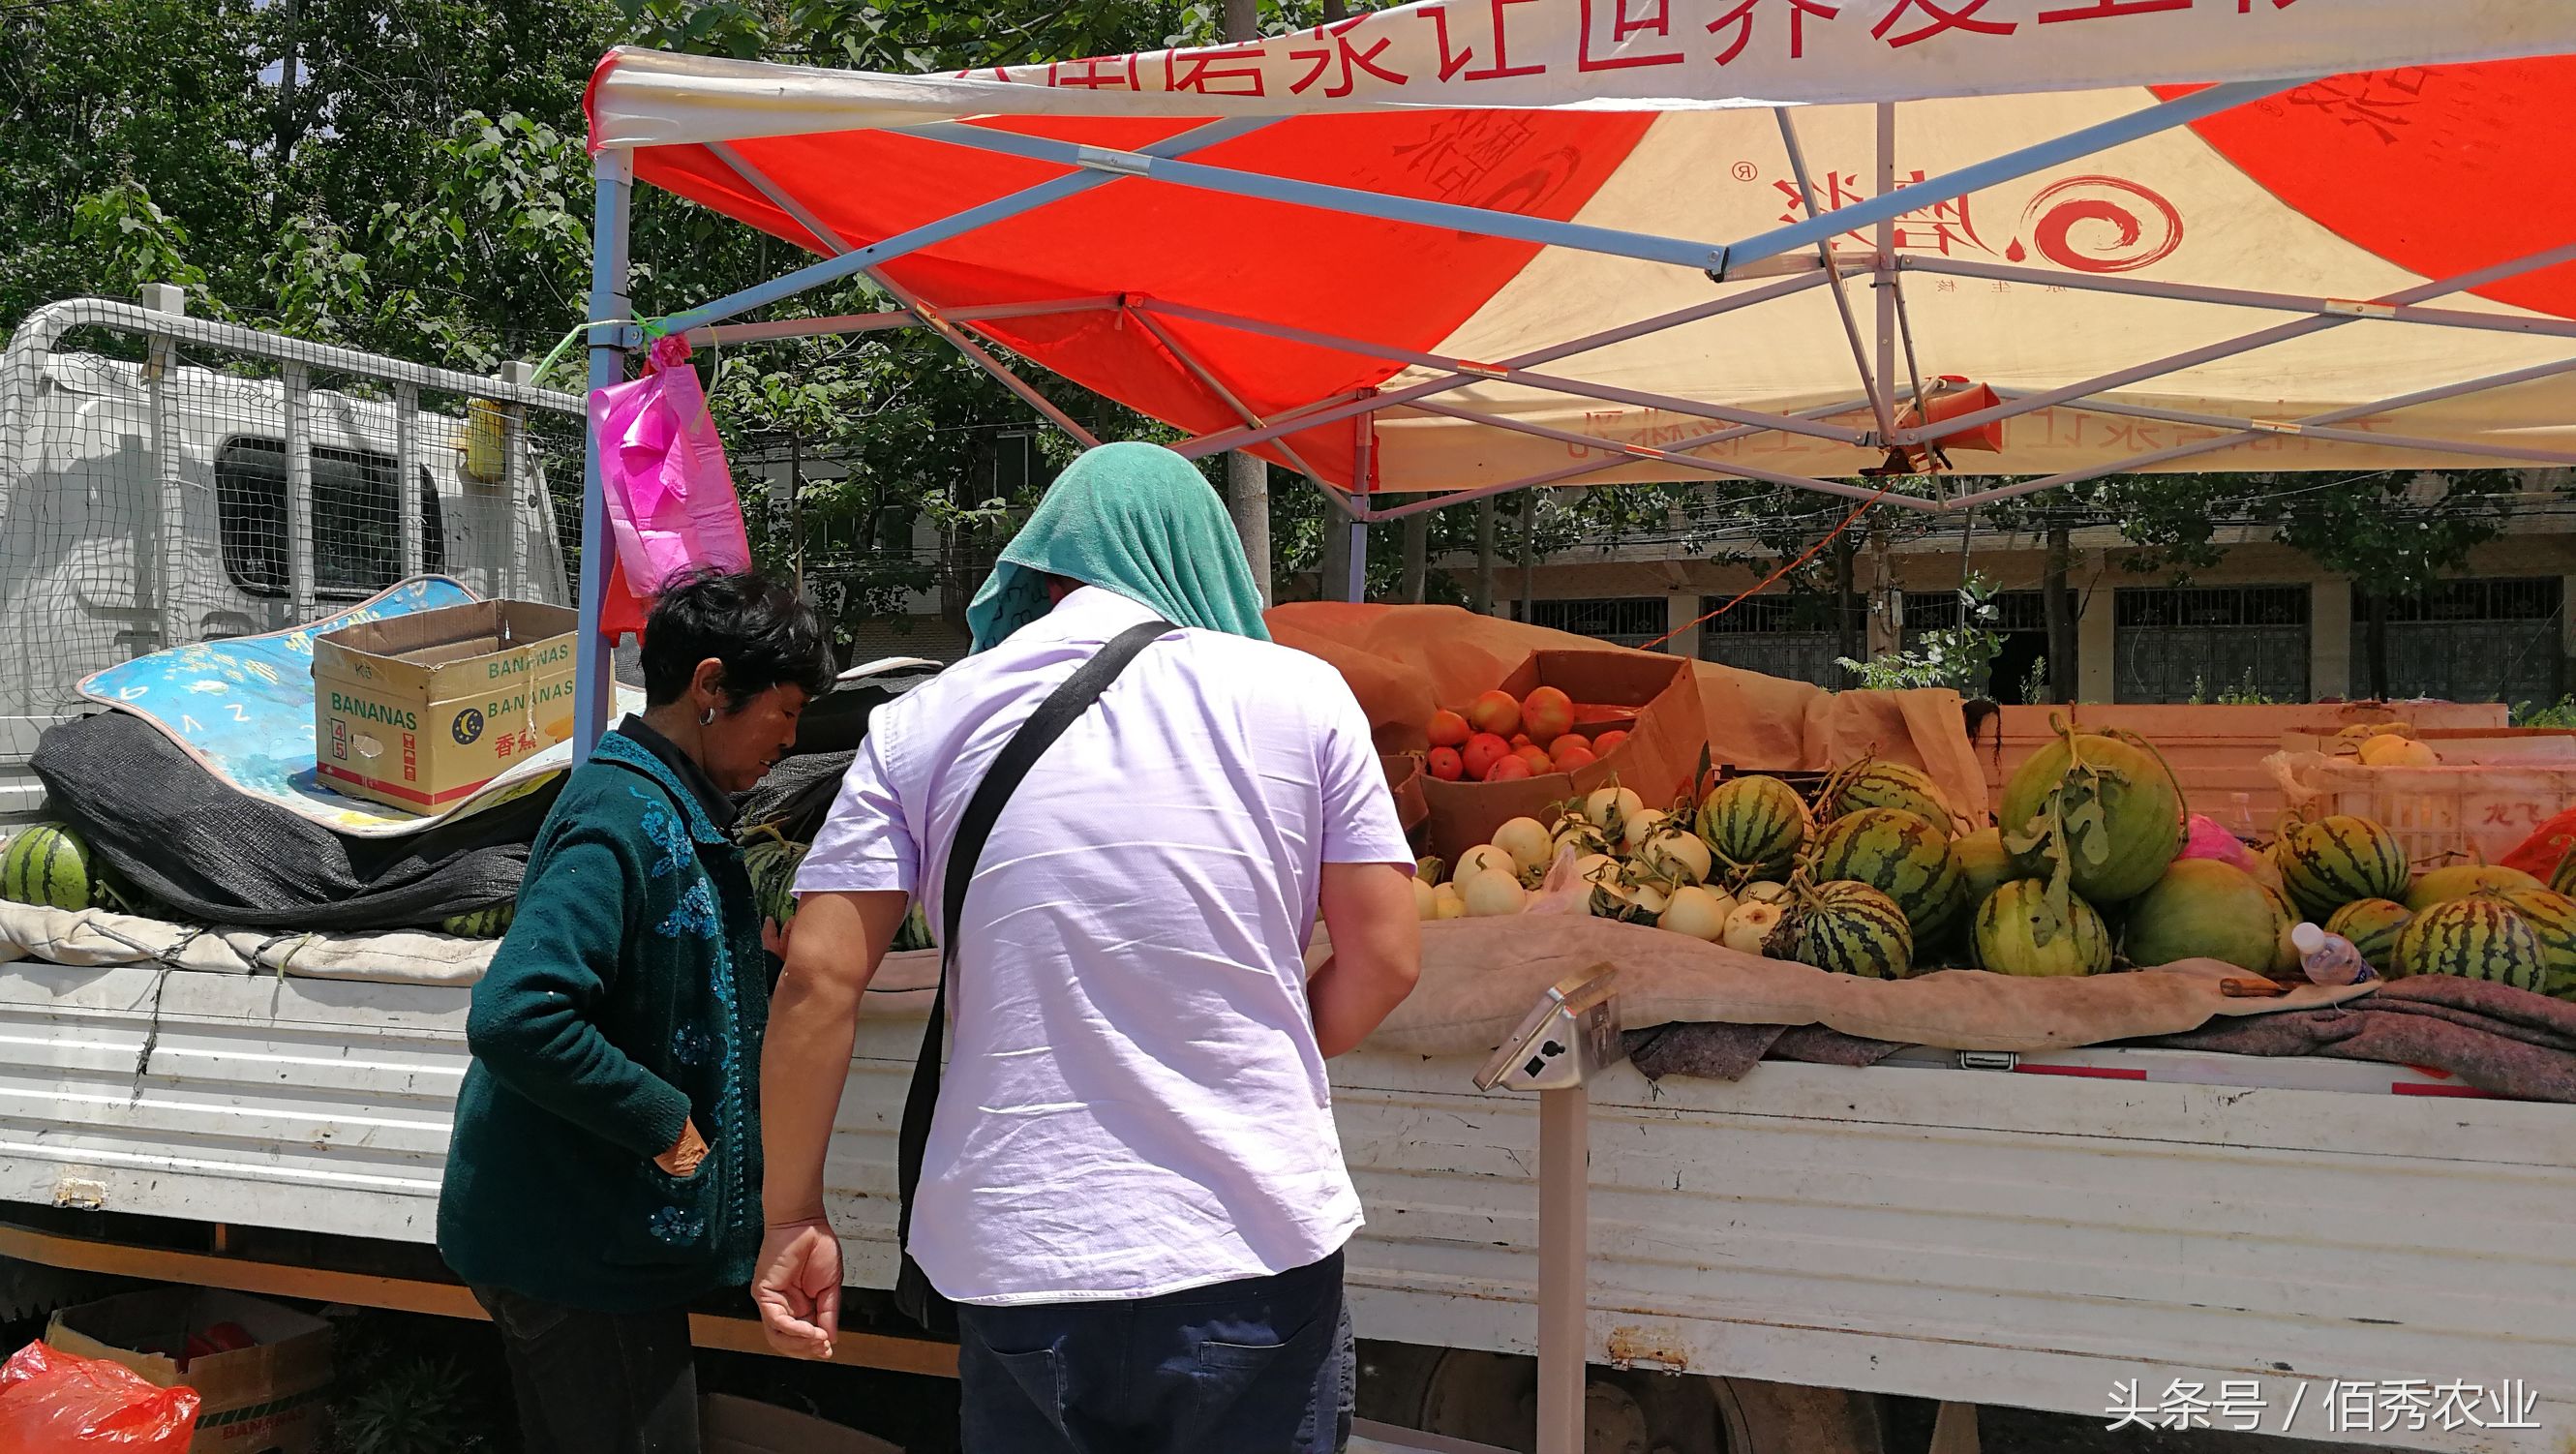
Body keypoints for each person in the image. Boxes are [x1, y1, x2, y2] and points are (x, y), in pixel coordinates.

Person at [753, 441, 1423, 1454]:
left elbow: (817, 973)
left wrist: (792, 1212)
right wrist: (1249, 1050)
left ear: (1045, 569)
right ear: (1208, 558)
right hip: (1251, 1243)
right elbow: (1386, 958)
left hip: (1019, 1252)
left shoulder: (919, 721)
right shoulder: (1303, 697)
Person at [438, 566, 834, 1454]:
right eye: (785, 709)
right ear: (709, 687)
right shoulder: (619, 813)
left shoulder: (671, 806)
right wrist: (667, 1123)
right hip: (573, 1247)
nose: (790, 738)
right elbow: (517, 1016)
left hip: (593, 1243)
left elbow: (649, 974)